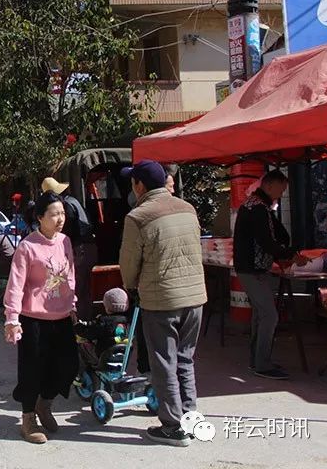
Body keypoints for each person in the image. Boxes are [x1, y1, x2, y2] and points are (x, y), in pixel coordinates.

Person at [119, 160, 207, 447]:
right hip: (194, 298)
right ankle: (190, 417)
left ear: (140, 186)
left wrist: (130, 286)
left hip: (161, 299)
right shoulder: (188, 208)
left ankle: (172, 426)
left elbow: (129, 265)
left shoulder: (138, 216)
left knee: (164, 361)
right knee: (185, 359)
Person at [4, 191, 78, 445]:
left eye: (62, 214)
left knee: (68, 366)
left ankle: (44, 404)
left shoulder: (65, 241)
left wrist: (73, 303)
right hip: (32, 318)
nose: (60, 219)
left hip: (62, 315)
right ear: (39, 218)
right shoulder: (27, 247)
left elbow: (70, 275)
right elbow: (15, 285)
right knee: (32, 369)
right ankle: (28, 418)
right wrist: (12, 319)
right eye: (54, 214)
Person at [233, 170, 303, 380]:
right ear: (270, 186)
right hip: (251, 269)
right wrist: (290, 254)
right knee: (269, 315)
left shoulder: (259, 206)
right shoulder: (257, 208)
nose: (281, 194)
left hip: (253, 268)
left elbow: (278, 235)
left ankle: (258, 360)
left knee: (260, 315)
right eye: (281, 190)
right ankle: (261, 364)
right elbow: (266, 242)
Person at [41, 177, 97, 321]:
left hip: (80, 248)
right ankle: (85, 320)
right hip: (88, 246)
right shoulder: (73, 200)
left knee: (76, 287)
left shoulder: (65, 206)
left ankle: (77, 322)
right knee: (84, 289)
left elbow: (67, 232)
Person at [75, 287, 130, 364]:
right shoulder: (128, 322)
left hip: (103, 356)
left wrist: (78, 327)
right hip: (123, 355)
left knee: (82, 346)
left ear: (106, 307)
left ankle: (83, 370)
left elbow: (89, 333)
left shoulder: (104, 322)